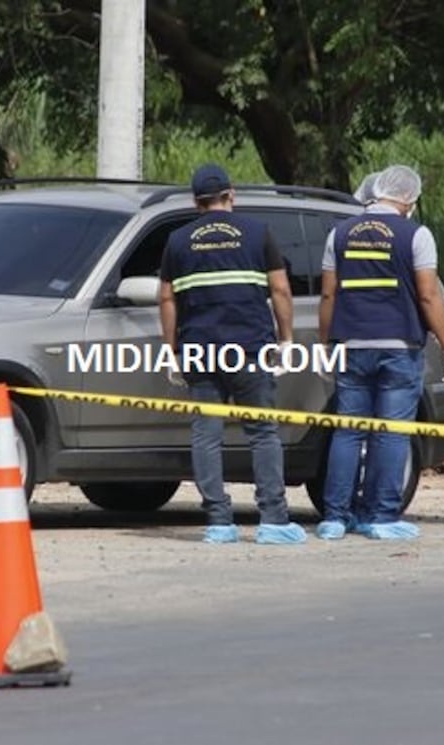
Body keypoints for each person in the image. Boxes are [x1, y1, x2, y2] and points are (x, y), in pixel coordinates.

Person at [158, 163, 307, 545]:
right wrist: (286, 339)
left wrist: (172, 351)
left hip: (200, 350)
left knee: (207, 435)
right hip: (249, 349)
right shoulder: (258, 234)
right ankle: (273, 519)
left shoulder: (177, 240)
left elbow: (167, 298)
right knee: (262, 432)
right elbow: (280, 291)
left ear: (196, 202)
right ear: (231, 195)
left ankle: (219, 522)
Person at [316, 165, 444, 541]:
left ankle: (335, 517)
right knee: (392, 433)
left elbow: (329, 294)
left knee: (348, 430)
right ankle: (380, 517)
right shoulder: (416, 234)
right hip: (399, 347)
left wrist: (324, 344)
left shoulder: (340, 233)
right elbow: (429, 296)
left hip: (351, 346)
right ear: (409, 199)